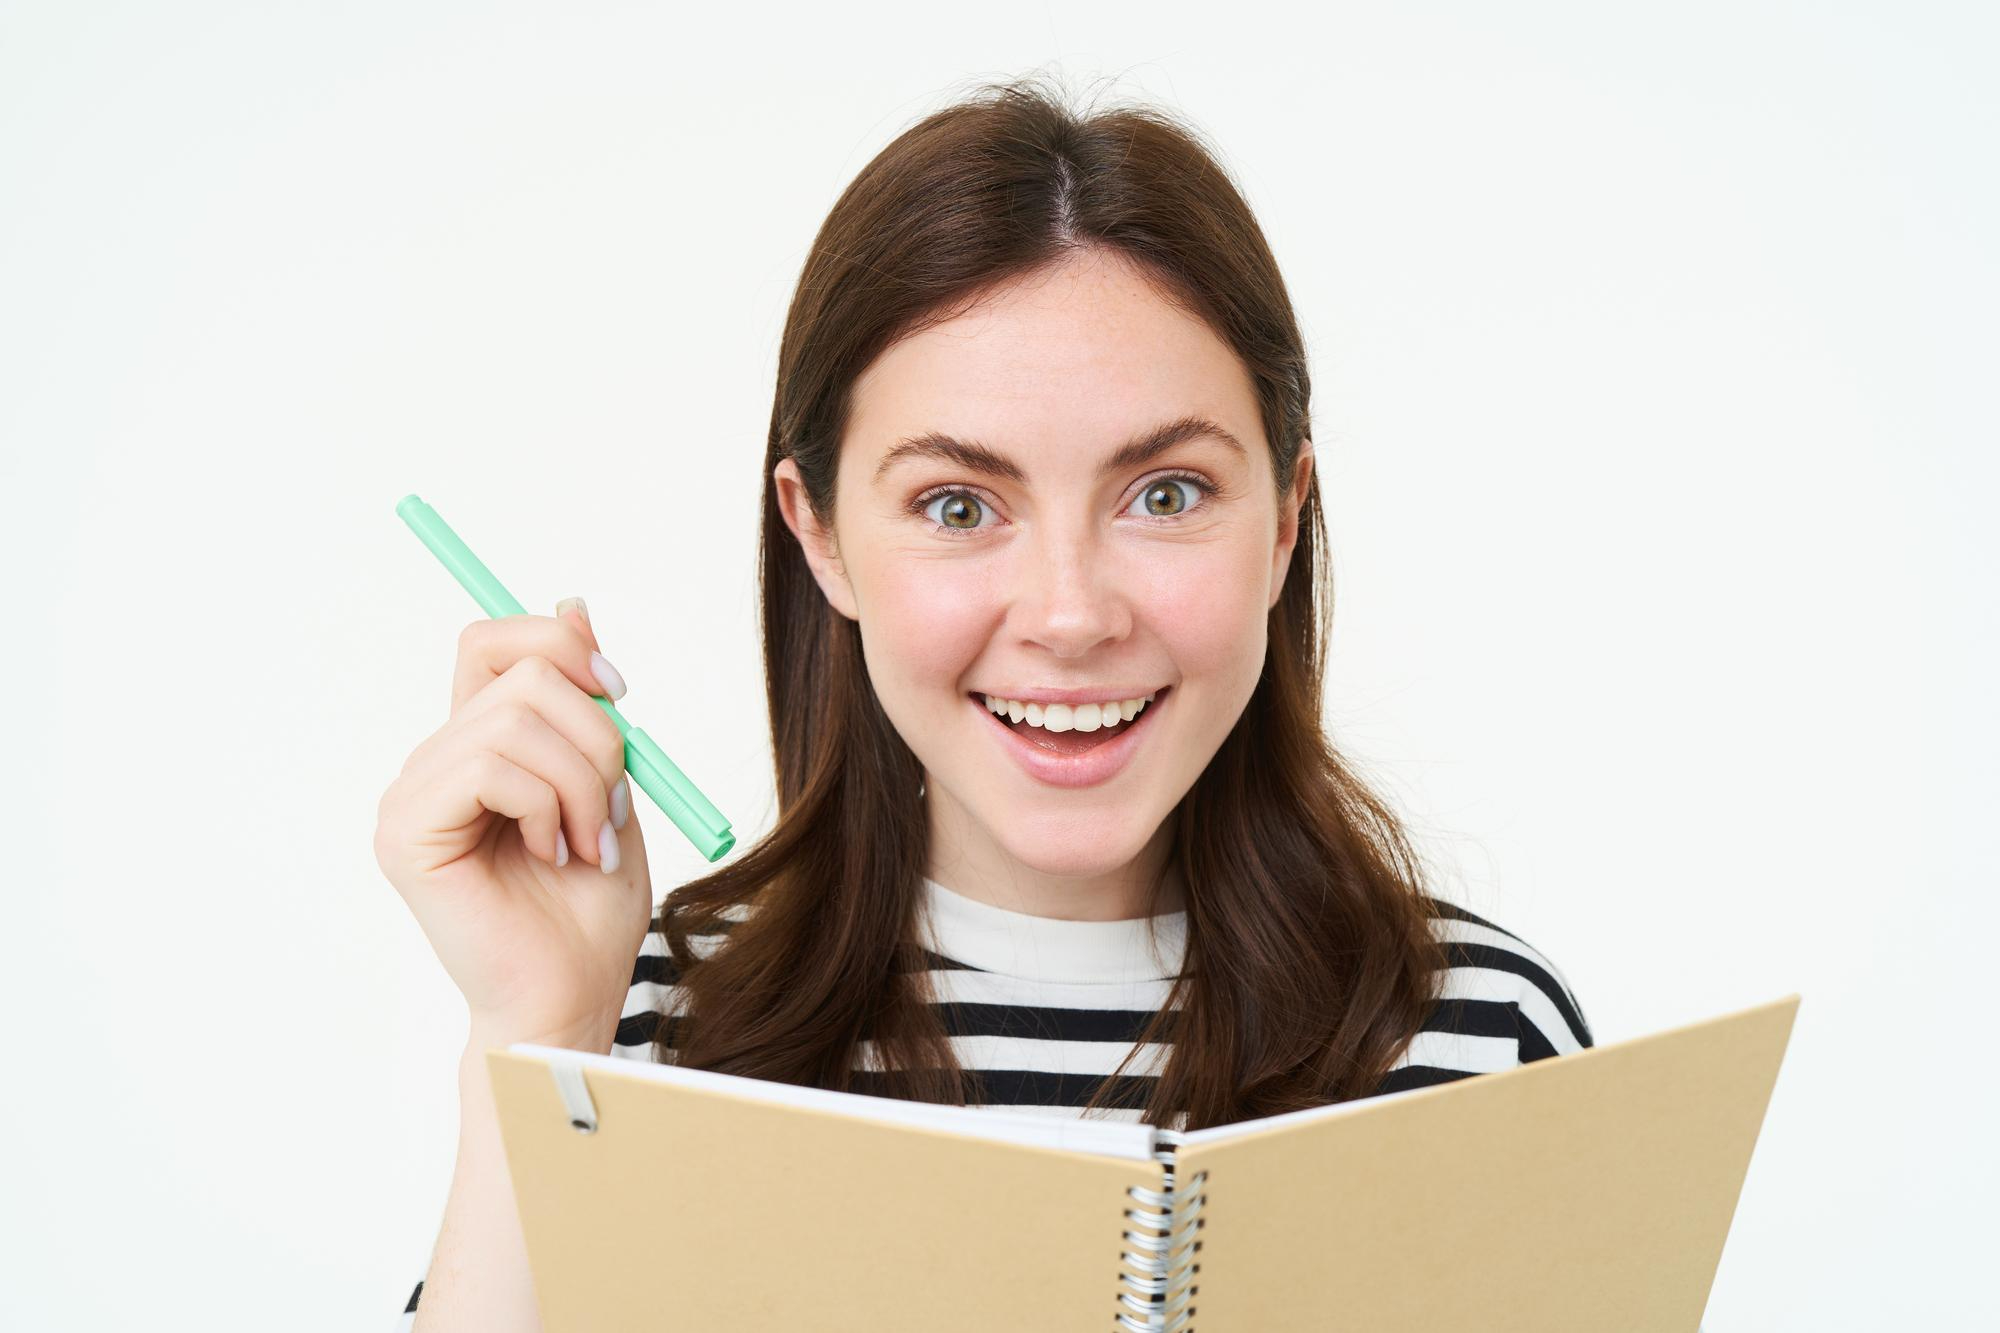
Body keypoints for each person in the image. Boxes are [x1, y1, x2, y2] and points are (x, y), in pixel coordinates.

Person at [374, 73, 1592, 1332]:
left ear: (1284, 520)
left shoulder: (1484, 1044)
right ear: (822, 536)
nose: (1069, 616)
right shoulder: (633, 1033)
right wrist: (532, 1034)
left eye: (1164, 494)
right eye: (958, 507)